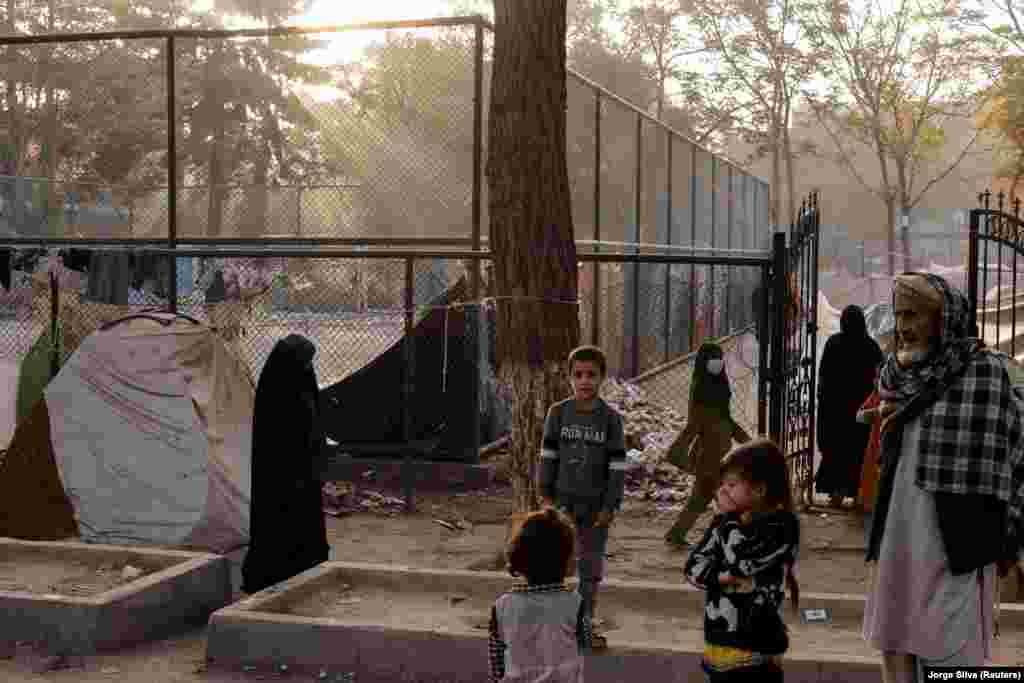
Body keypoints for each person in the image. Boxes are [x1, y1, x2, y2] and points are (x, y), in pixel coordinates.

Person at [863, 272, 1024, 683]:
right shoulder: (896, 377)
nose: (903, 327)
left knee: (951, 654)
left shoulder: (985, 373)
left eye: (914, 314)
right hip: (899, 534)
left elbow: (1017, 450)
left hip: (957, 540)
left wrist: (1010, 531)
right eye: (900, 315)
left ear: (945, 318)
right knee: (895, 642)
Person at [683, 439, 800, 682]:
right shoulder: (726, 523)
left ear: (759, 489)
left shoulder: (781, 526)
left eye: (732, 485)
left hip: (757, 650)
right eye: (722, 484)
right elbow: (694, 567)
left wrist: (729, 522)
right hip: (719, 644)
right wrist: (723, 577)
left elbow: (742, 562)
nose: (722, 491)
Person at [538, 344, 627, 651]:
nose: (585, 381)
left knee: (589, 572)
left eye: (591, 374)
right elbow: (548, 457)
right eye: (578, 375)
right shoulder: (558, 413)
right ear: (569, 377)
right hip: (562, 505)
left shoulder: (611, 420)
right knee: (555, 568)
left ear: (602, 377)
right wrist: (546, 498)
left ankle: (583, 628)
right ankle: (554, 629)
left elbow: (617, 468)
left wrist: (610, 506)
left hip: (596, 509)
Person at [241, 334, 330, 594]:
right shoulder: (275, 394)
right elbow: (277, 441)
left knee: (303, 520)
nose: (308, 369)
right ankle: (277, 571)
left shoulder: (300, 384)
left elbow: (313, 425)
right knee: (279, 523)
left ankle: (304, 564)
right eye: (304, 362)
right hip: (279, 477)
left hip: (304, 473)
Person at [488, 507, 592, 683]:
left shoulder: (502, 606)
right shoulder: (574, 603)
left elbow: (497, 665)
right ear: (567, 561)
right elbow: (585, 643)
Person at [664, 342, 751, 548]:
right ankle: (739, 538)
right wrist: (677, 452)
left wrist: (747, 441)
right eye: (712, 357)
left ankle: (676, 534)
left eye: (719, 356)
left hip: (720, 452)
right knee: (728, 500)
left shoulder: (720, 386)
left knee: (701, 500)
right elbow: (693, 426)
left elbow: (727, 419)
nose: (717, 362)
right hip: (708, 458)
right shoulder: (701, 389)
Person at [815, 305, 883, 508]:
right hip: (860, 412)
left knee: (835, 451)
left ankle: (836, 494)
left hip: (835, 410)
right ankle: (856, 496)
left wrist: (823, 400)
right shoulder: (870, 346)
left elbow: (823, 376)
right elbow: (879, 379)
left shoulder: (834, 343)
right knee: (857, 452)